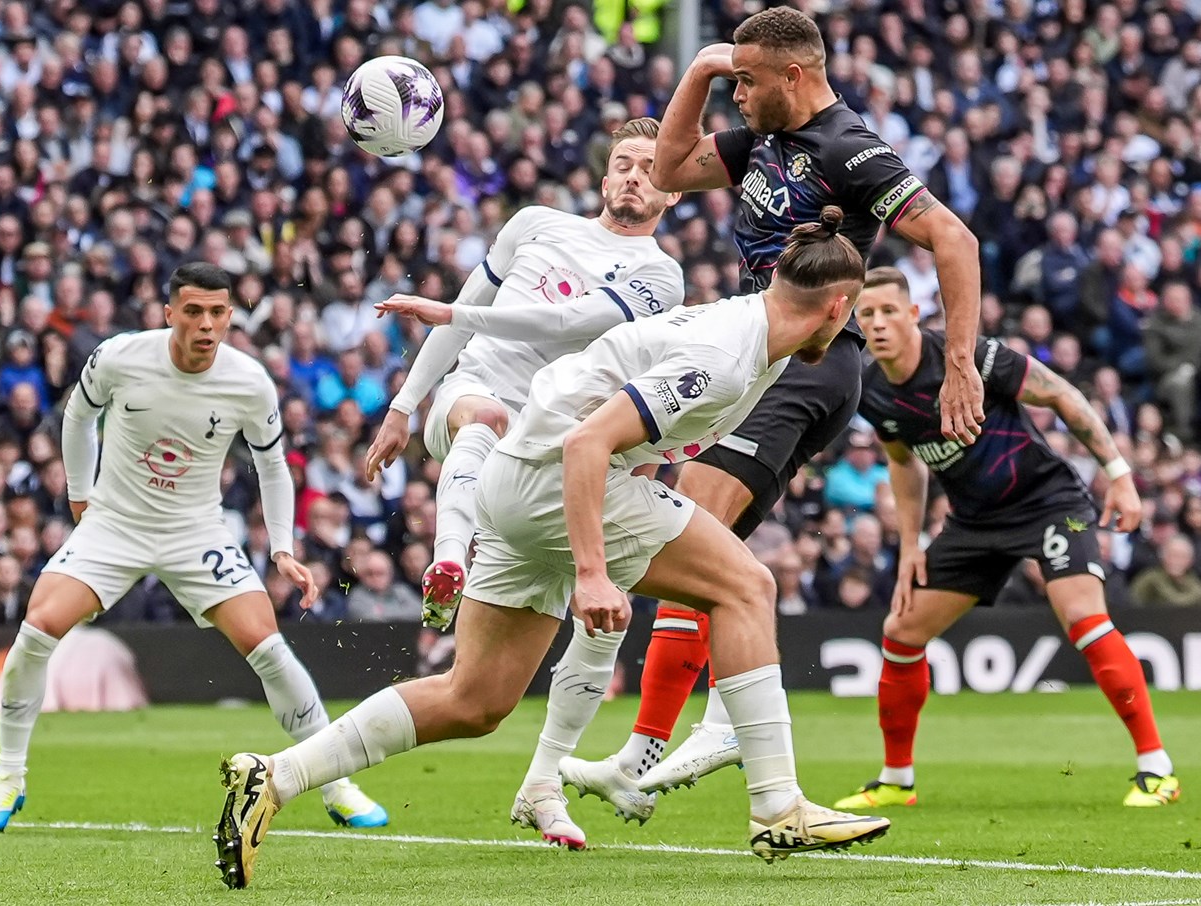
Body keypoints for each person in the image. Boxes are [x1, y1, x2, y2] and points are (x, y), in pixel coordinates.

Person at [210, 210, 889, 890]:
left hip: (518, 482)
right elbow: (587, 443)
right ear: (838, 307)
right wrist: (592, 574)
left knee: (474, 699)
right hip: (551, 480)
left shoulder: (749, 329)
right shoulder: (725, 354)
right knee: (745, 587)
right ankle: (776, 805)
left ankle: (277, 774)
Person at [532, 5, 987, 822]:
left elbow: (954, 240)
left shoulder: (850, 149)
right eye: (730, 80)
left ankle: (695, 734)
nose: (736, 94)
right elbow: (668, 169)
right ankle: (669, 740)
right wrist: (699, 72)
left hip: (810, 359)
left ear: (793, 76)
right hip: (756, 355)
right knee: (698, 542)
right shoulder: (759, 144)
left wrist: (959, 367)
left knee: (691, 516)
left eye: (745, 80)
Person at [0, 263, 387, 834]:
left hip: (196, 531)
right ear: (169, 314)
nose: (206, 324)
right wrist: (78, 494)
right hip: (113, 524)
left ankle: (336, 783)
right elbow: (78, 416)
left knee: (268, 645)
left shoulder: (250, 382)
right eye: (193, 311)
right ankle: (9, 776)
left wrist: (284, 548)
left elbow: (272, 466)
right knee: (37, 630)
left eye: (218, 312)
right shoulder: (120, 356)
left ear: (230, 316)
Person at [831, 267, 1176, 809]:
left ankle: (1156, 769)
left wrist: (1120, 475)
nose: (877, 324)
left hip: (1049, 504)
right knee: (901, 630)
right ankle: (897, 780)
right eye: (866, 314)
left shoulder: (970, 359)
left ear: (914, 315)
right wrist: (911, 547)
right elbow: (903, 462)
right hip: (973, 523)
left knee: (1085, 620)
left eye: (889, 311)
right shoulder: (873, 392)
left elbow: (1060, 393)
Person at [364, 118, 685, 628]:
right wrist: (402, 408)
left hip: (548, 446)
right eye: (623, 165)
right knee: (486, 416)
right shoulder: (535, 223)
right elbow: (463, 313)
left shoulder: (662, 277)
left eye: (649, 169)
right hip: (474, 393)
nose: (633, 176)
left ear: (672, 193)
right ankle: (448, 558)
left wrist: (452, 313)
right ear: (604, 182)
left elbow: (565, 322)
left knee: (480, 696)